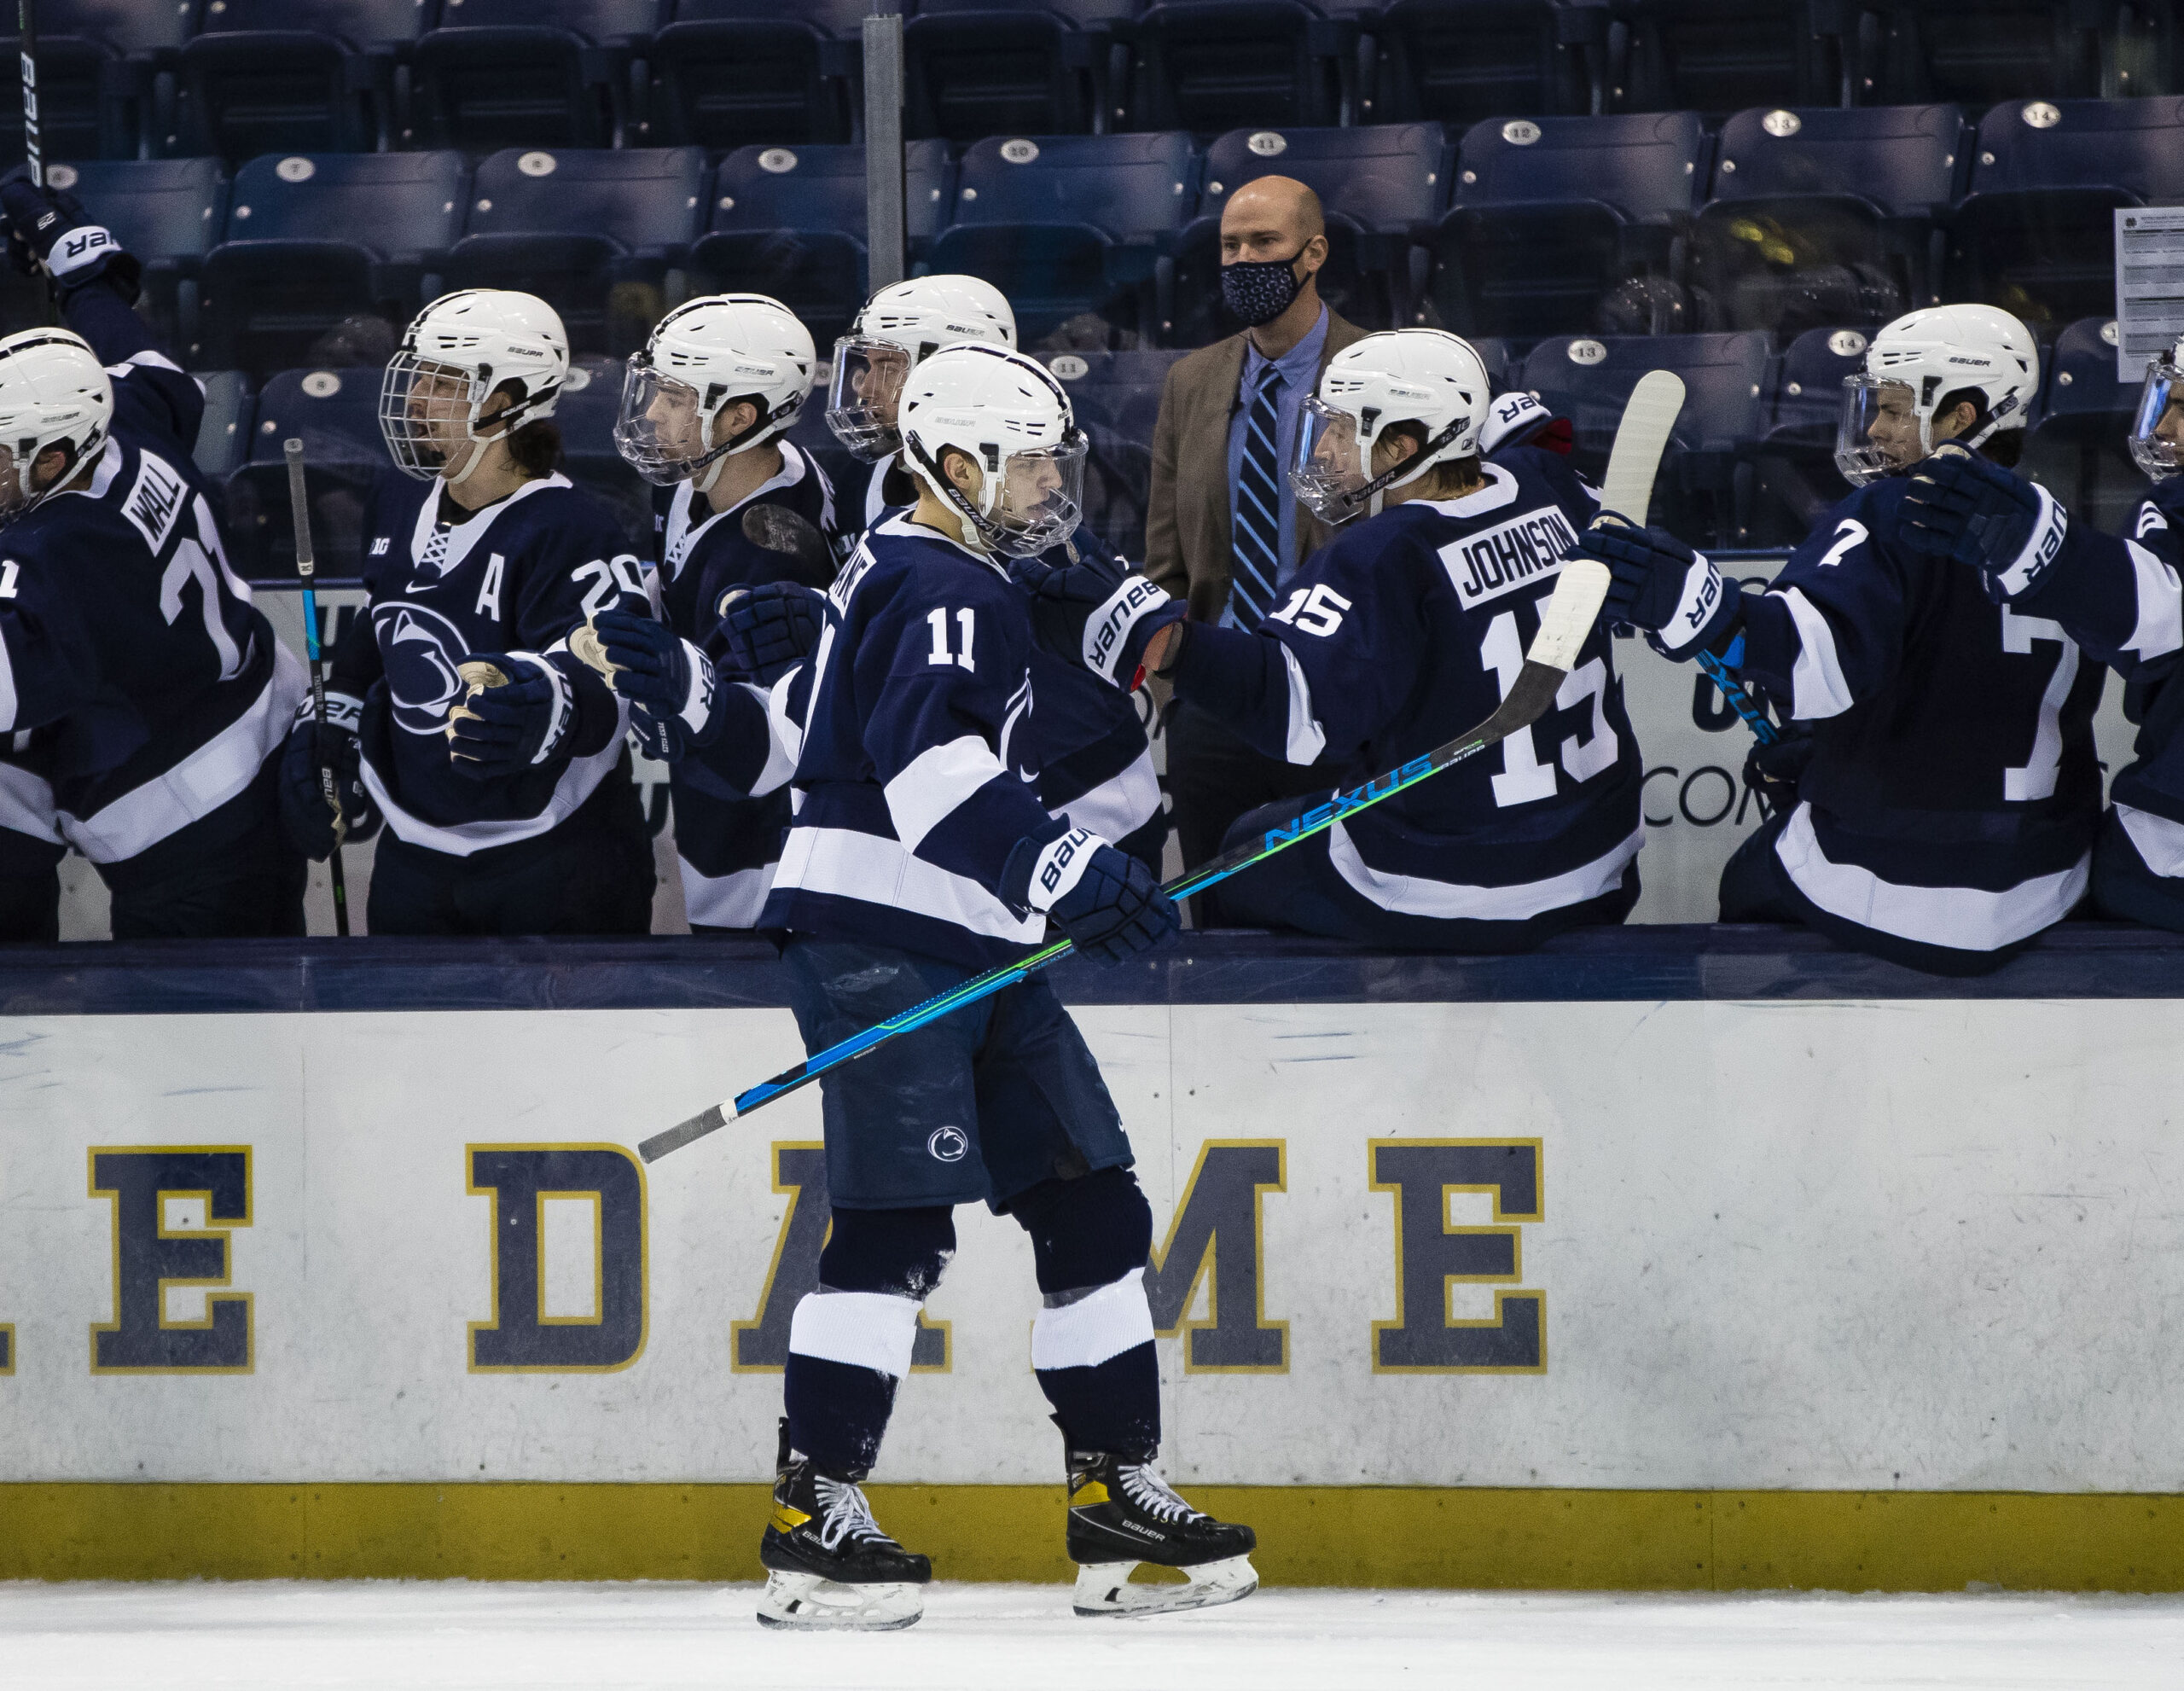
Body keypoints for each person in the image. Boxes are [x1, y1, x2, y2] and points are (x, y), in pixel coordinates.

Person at [749, 343, 1254, 1630]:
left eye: (1051, 457)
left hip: (971, 937)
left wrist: (1057, 875)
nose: (1048, 484)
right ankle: (813, 1515)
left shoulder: (955, 572)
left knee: (1090, 1202)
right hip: (880, 936)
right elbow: (931, 783)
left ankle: (1114, 1492)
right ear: (957, 464)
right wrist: (1076, 870)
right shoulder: (939, 583)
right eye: (1026, 461)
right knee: (896, 1223)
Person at [1020, 330, 1644, 950]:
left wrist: (1158, 637)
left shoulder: (1382, 555)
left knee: (1241, 853)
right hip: (1602, 856)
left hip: (1463, 884)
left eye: (1345, 431)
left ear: (1404, 446)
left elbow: (1294, 712)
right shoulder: (1546, 483)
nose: (1325, 449)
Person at [1583, 304, 2104, 976]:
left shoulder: (1890, 512)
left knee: (1746, 888)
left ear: (1963, 416)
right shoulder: (2059, 530)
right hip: (2042, 880)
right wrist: (1842, 748)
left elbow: (1808, 665)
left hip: (1897, 884)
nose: (1878, 430)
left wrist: (1690, 602)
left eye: (1893, 410)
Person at [285, 289, 656, 936]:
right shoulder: (399, 495)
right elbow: (383, 622)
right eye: (418, 376)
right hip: (414, 858)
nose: (417, 399)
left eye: (444, 381)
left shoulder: (571, 530)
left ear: (506, 400)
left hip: (554, 860)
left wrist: (546, 706)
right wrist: (329, 721)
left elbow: (608, 685)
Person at [0, 170, 307, 938]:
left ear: (51, 458)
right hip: (254, 735)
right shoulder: (123, 419)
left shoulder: (62, 549)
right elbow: (145, 365)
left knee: (206, 1039)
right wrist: (83, 275)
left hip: (188, 819)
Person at [824, 274, 1165, 875]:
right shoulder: (873, 481)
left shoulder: (1024, 505)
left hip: (1085, 815)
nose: (862, 383)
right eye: (864, 363)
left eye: (886, 365)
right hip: (985, 822)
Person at [1890, 331, 2184, 928]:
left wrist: (2054, 556)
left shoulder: (2172, 511)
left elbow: (2157, 619)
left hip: (2165, 861)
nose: (2164, 430)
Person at [1143, 177, 1369, 917]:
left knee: (1349, 913)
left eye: (1264, 243)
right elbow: (1167, 556)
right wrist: (1179, 690)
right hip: (1217, 703)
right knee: (1219, 919)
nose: (1243, 260)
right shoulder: (1191, 381)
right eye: (1230, 246)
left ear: (1315, 252)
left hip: (1341, 694)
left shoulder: (1382, 374)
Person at [589, 293, 841, 933]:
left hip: (767, 851)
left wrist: (678, 699)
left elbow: (767, 752)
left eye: (675, 399)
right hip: (709, 816)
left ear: (738, 419)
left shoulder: (771, 546)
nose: (652, 412)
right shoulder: (692, 480)